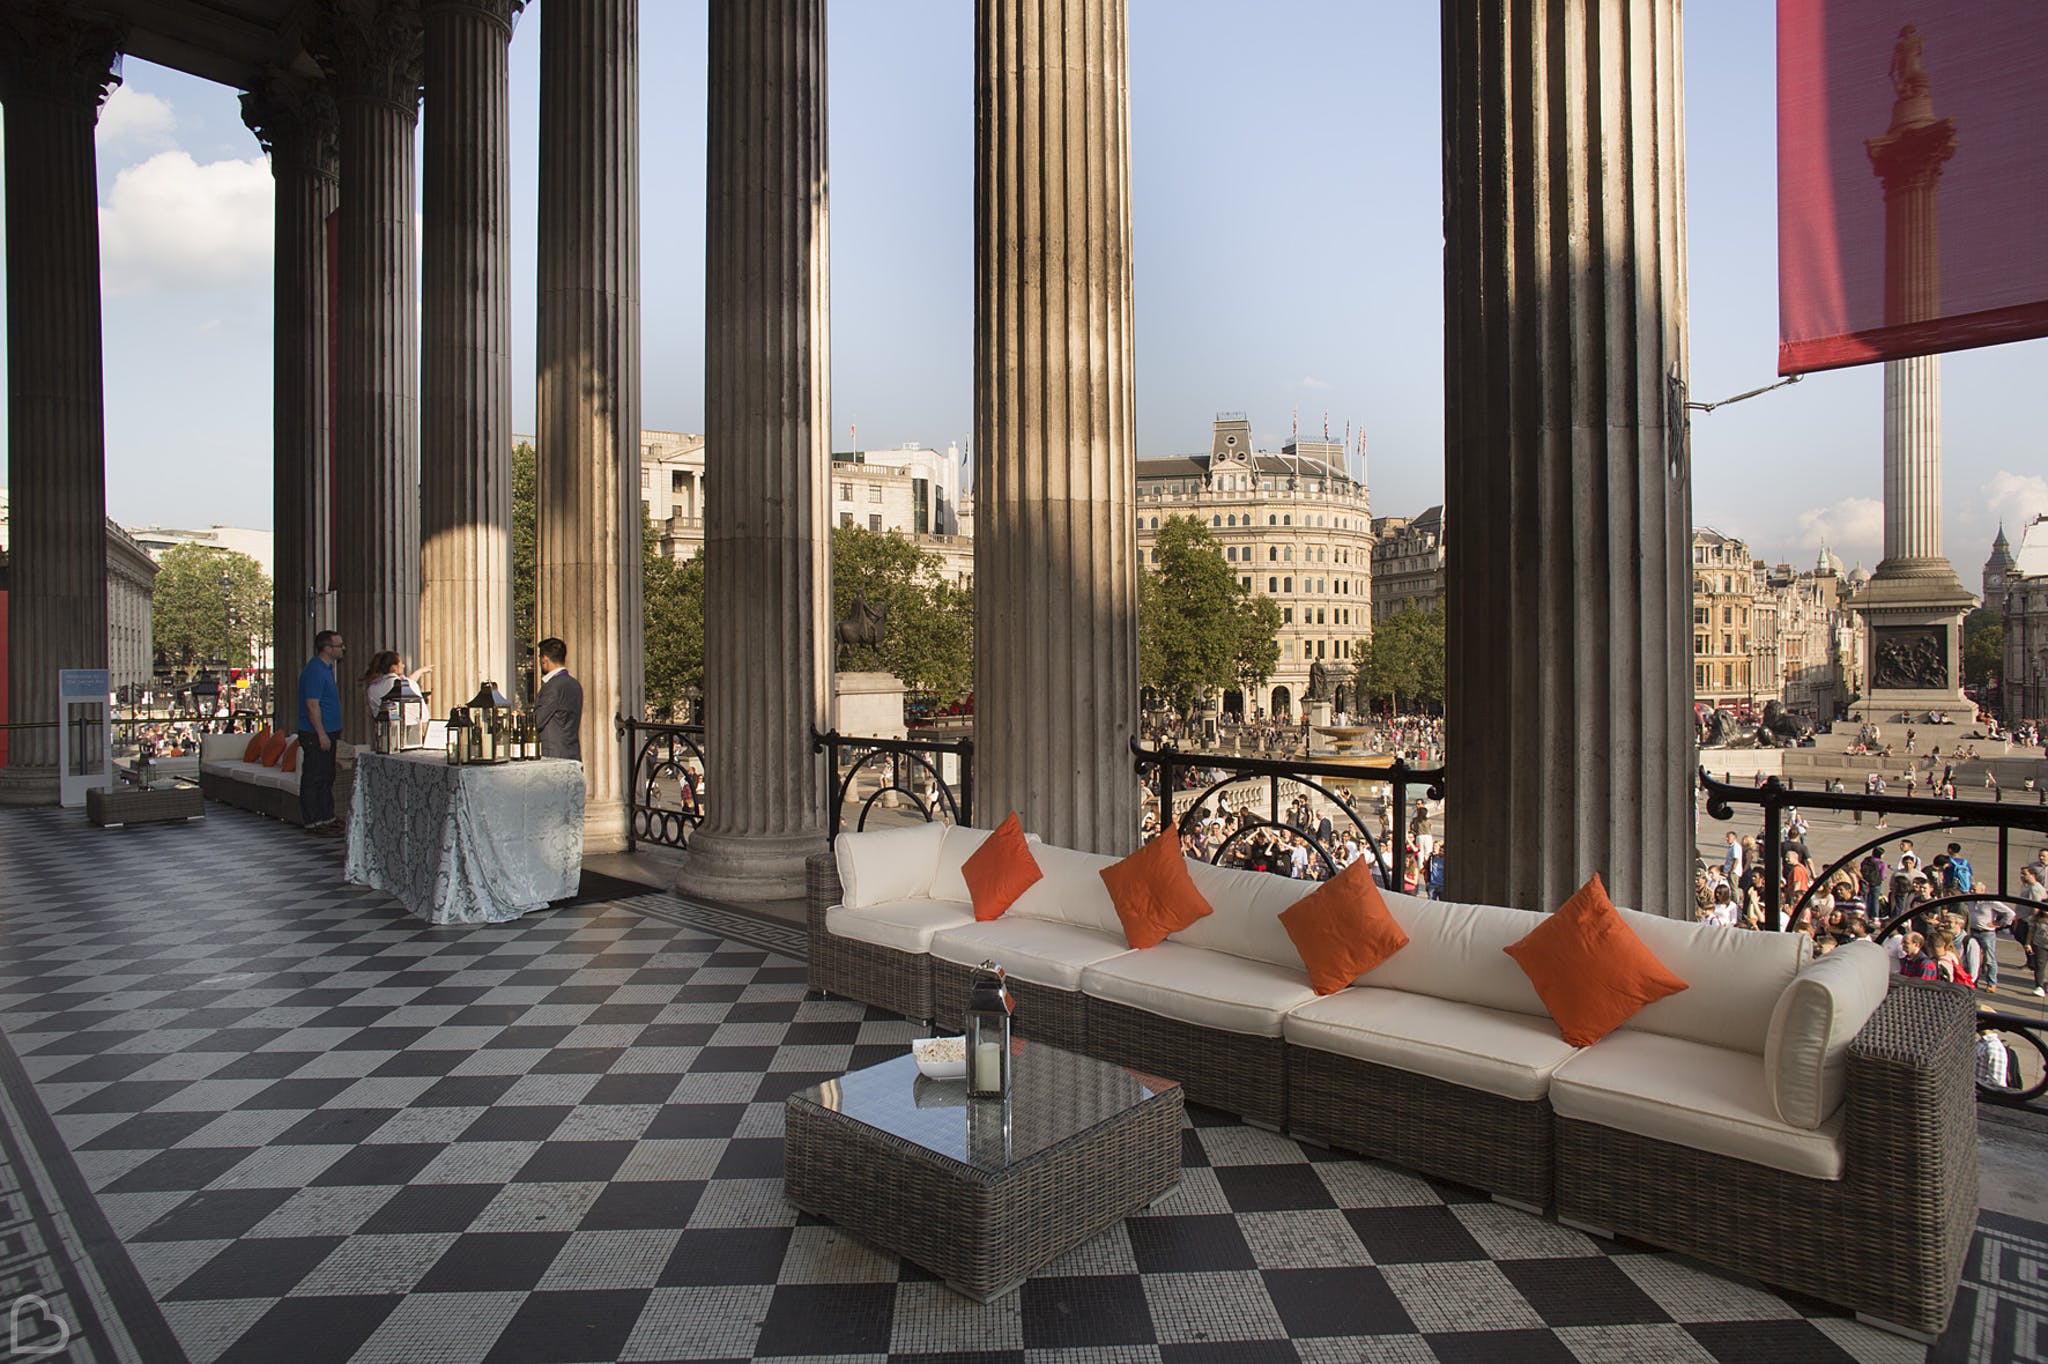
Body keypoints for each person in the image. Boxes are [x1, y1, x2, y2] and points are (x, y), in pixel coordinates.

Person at [296, 629, 346, 833]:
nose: (343, 649)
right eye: (339, 645)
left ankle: (327, 816)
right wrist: (321, 733)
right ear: (327, 648)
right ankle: (314, 821)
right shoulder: (315, 670)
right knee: (314, 776)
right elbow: (312, 705)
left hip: (329, 731)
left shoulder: (327, 669)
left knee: (326, 775)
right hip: (316, 733)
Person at [533, 637, 584, 760]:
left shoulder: (553, 686)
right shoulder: (575, 684)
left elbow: (538, 720)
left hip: (553, 755)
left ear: (544, 659)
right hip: (572, 752)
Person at [362, 650, 432, 729]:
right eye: (400, 663)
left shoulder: (372, 689)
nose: (403, 665)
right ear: (393, 667)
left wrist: (419, 672)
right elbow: (424, 716)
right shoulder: (410, 684)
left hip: (384, 732)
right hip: (411, 732)